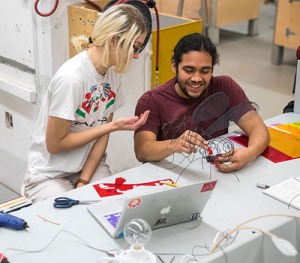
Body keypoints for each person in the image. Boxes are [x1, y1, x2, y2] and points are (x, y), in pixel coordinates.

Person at [21, 3, 150, 202]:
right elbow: (54, 144)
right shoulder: (72, 79)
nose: (136, 55)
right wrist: (112, 127)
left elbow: (101, 136)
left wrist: (83, 180)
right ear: (114, 40)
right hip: (49, 175)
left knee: (113, 207)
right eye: (134, 47)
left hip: (88, 165)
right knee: (71, 219)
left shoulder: (112, 76)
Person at [134, 33, 270, 172]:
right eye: (189, 70)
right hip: (170, 176)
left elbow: (257, 127)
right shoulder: (151, 101)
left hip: (216, 173)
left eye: (205, 71)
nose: (197, 78)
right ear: (174, 66)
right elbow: (142, 150)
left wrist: (251, 153)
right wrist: (174, 144)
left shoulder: (224, 87)